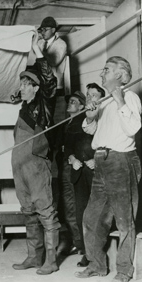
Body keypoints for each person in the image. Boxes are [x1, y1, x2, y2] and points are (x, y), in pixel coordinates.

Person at [74, 56, 142, 282]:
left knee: (124, 221)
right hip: (101, 160)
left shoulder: (130, 97)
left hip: (121, 161)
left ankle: (124, 269)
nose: (101, 74)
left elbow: (133, 127)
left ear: (120, 75)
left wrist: (120, 100)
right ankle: (97, 265)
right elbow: (92, 130)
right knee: (91, 217)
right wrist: (91, 116)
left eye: (106, 70)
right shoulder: (103, 102)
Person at [10, 69, 62, 275]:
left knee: (46, 213)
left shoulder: (44, 105)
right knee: (29, 212)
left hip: (36, 166)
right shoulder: (24, 107)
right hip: (19, 165)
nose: (21, 88)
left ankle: (51, 260)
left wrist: (40, 51)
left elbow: (49, 81)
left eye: (25, 84)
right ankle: (34, 257)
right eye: (21, 84)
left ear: (36, 88)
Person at [59, 89, 96, 268]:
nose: (69, 104)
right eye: (69, 101)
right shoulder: (68, 122)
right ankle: (78, 243)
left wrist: (83, 159)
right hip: (70, 169)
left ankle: (84, 247)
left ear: (82, 106)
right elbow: (68, 147)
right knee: (70, 208)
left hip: (81, 171)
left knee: (80, 208)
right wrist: (71, 158)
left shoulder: (85, 122)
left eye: (74, 101)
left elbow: (90, 146)